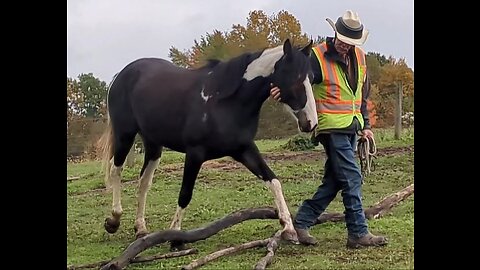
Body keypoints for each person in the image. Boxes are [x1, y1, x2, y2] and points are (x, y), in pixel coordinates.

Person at [270, 10, 388, 249]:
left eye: (351, 42)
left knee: (334, 180)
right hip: (330, 128)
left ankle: (301, 222)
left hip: (351, 126)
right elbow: (297, 82)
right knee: (352, 176)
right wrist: (282, 93)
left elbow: (361, 94)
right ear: (336, 34)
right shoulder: (316, 56)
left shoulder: (361, 57)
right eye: (343, 40)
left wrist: (365, 125)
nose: (346, 46)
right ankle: (357, 232)